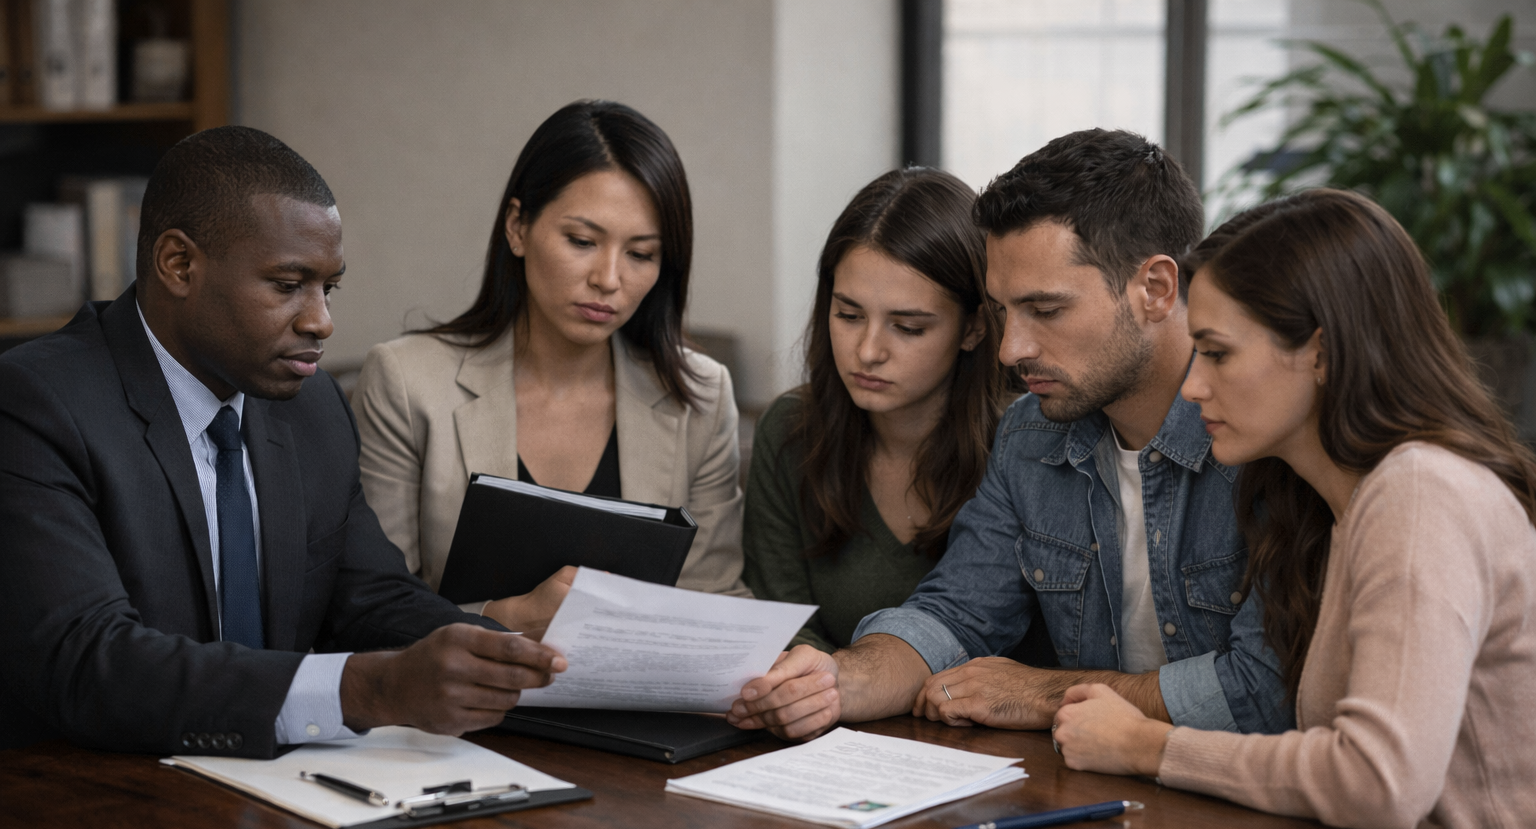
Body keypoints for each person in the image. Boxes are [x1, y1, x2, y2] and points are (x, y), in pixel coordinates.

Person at [0, 125, 562, 829]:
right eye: (288, 285)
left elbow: (366, 593)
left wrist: (512, 657)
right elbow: (88, 658)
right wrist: (368, 690)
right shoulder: (37, 402)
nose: (322, 322)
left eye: (329, 288)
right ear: (179, 264)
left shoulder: (304, 409)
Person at [1050, 189, 1536, 829]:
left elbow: (1379, 783)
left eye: (1216, 352)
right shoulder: (1339, 507)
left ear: (1319, 351)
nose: (1193, 386)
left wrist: (1148, 747)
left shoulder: (1420, 497)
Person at [728, 129, 1287, 751]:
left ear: (1155, 289)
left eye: (1045, 311)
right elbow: (955, 613)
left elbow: (1264, 691)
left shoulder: (1265, 438)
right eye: (1002, 312)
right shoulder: (1031, 434)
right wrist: (839, 678)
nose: (1010, 350)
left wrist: (1042, 693)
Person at [354, 100, 748, 637]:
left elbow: (714, 600)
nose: (609, 279)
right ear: (518, 227)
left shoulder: (699, 394)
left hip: (632, 707)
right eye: (582, 242)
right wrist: (501, 620)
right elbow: (374, 607)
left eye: (641, 253)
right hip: (452, 709)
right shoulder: (406, 382)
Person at [743, 166, 1050, 663]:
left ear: (973, 328)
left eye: (907, 327)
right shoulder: (792, 430)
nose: (867, 351)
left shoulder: (1025, 442)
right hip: (833, 721)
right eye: (848, 315)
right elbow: (778, 622)